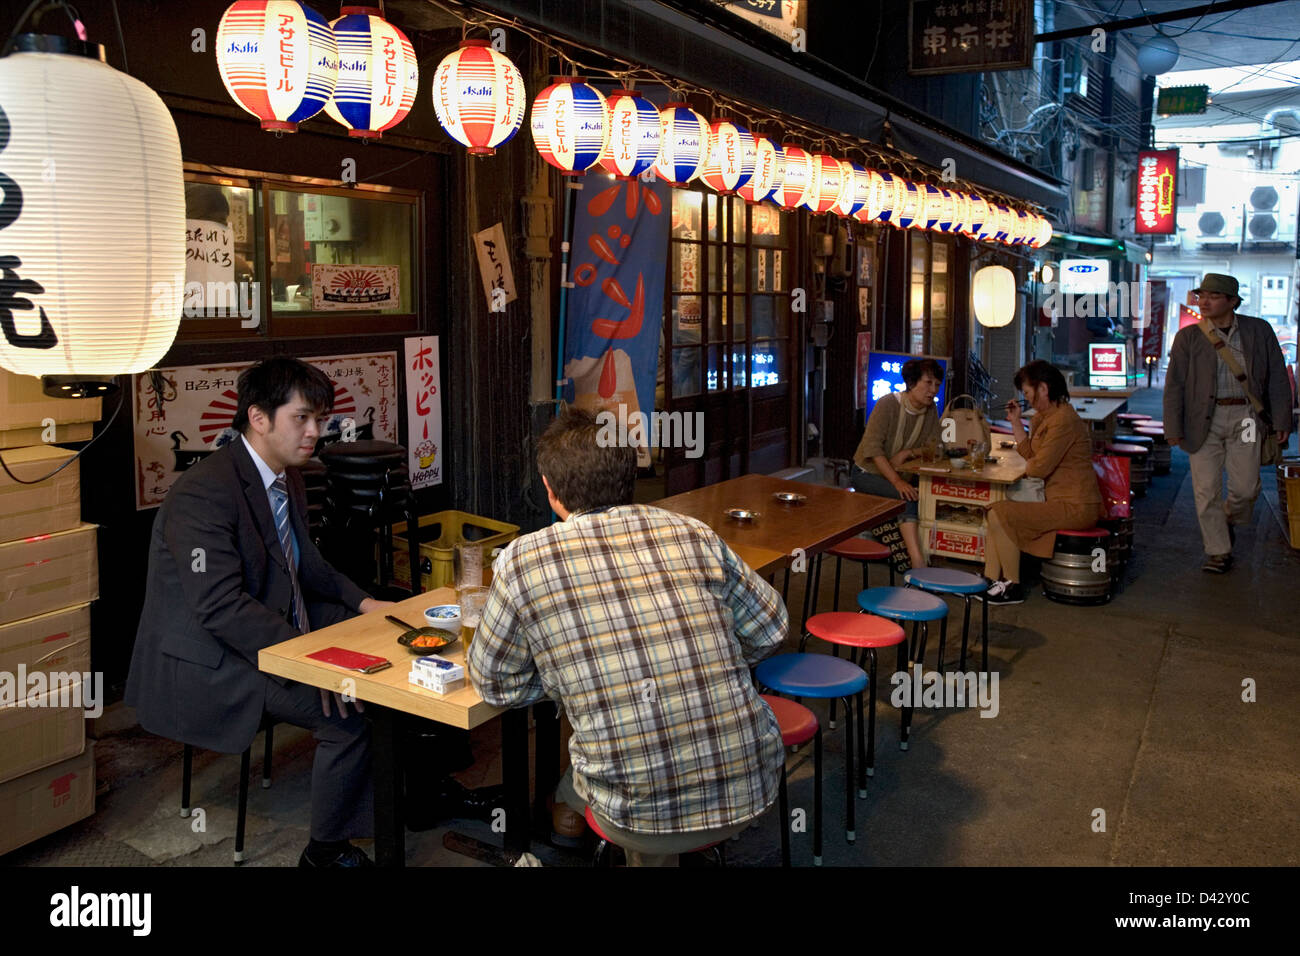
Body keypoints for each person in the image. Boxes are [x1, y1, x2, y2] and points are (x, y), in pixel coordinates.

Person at [466, 408, 788, 866]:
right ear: (630, 475)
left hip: (638, 815)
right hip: (753, 786)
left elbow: (494, 682)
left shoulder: (523, 560)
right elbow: (771, 628)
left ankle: (566, 825)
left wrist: (574, 678)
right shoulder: (690, 531)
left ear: (550, 490)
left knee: (627, 788)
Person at [127, 357, 395, 867]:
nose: (316, 432)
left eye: (320, 418)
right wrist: (310, 660)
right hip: (216, 656)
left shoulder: (286, 476)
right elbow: (220, 608)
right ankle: (324, 852)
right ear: (259, 417)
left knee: (387, 654)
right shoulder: (204, 492)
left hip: (276, 625)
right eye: (302, 418)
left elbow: (309, 567)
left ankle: (410, 794)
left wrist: (366, 604)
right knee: (347, 715)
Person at [1163, 273, 1291, 573]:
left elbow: (1277, 376)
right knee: (1205, 491)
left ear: (1232, 301)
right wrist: (1172, 427)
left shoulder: (1258, 330)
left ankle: (1226, 520)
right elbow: (1175, 385)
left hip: (1246, 417)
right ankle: (1218, 551)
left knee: (1247, 489)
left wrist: (1282, 418)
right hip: (1202, 420)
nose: (1204, 302)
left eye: (1213, 296)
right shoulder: (1189, 337)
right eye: (1201, 295)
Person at [983, 361, 1103, 605]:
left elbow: (1038, 468)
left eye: (1027, 393)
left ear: (1044, 389)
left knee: (998, 512)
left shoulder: (1063, 421)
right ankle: (991, 582)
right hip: (1060, 502)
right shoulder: (1046, 418)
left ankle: (1011, 586)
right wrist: (1016, 422)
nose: (1026, 398)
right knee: (997, 512)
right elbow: (1030, 455)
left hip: (1076, 506)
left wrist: (1030, 464)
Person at [850, 357, 943, 570]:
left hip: (900, 475)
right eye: (928, 383)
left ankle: (925, 553)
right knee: (907, 498)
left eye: (937, 385)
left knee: (924, 494)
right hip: (867, 473)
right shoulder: (888, 404)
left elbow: (936, 446)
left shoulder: (930, 410)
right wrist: (897, 482)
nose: (933, 390)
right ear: (911, 383)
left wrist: (908, 452)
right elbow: (872, 450)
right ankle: (917, 561)